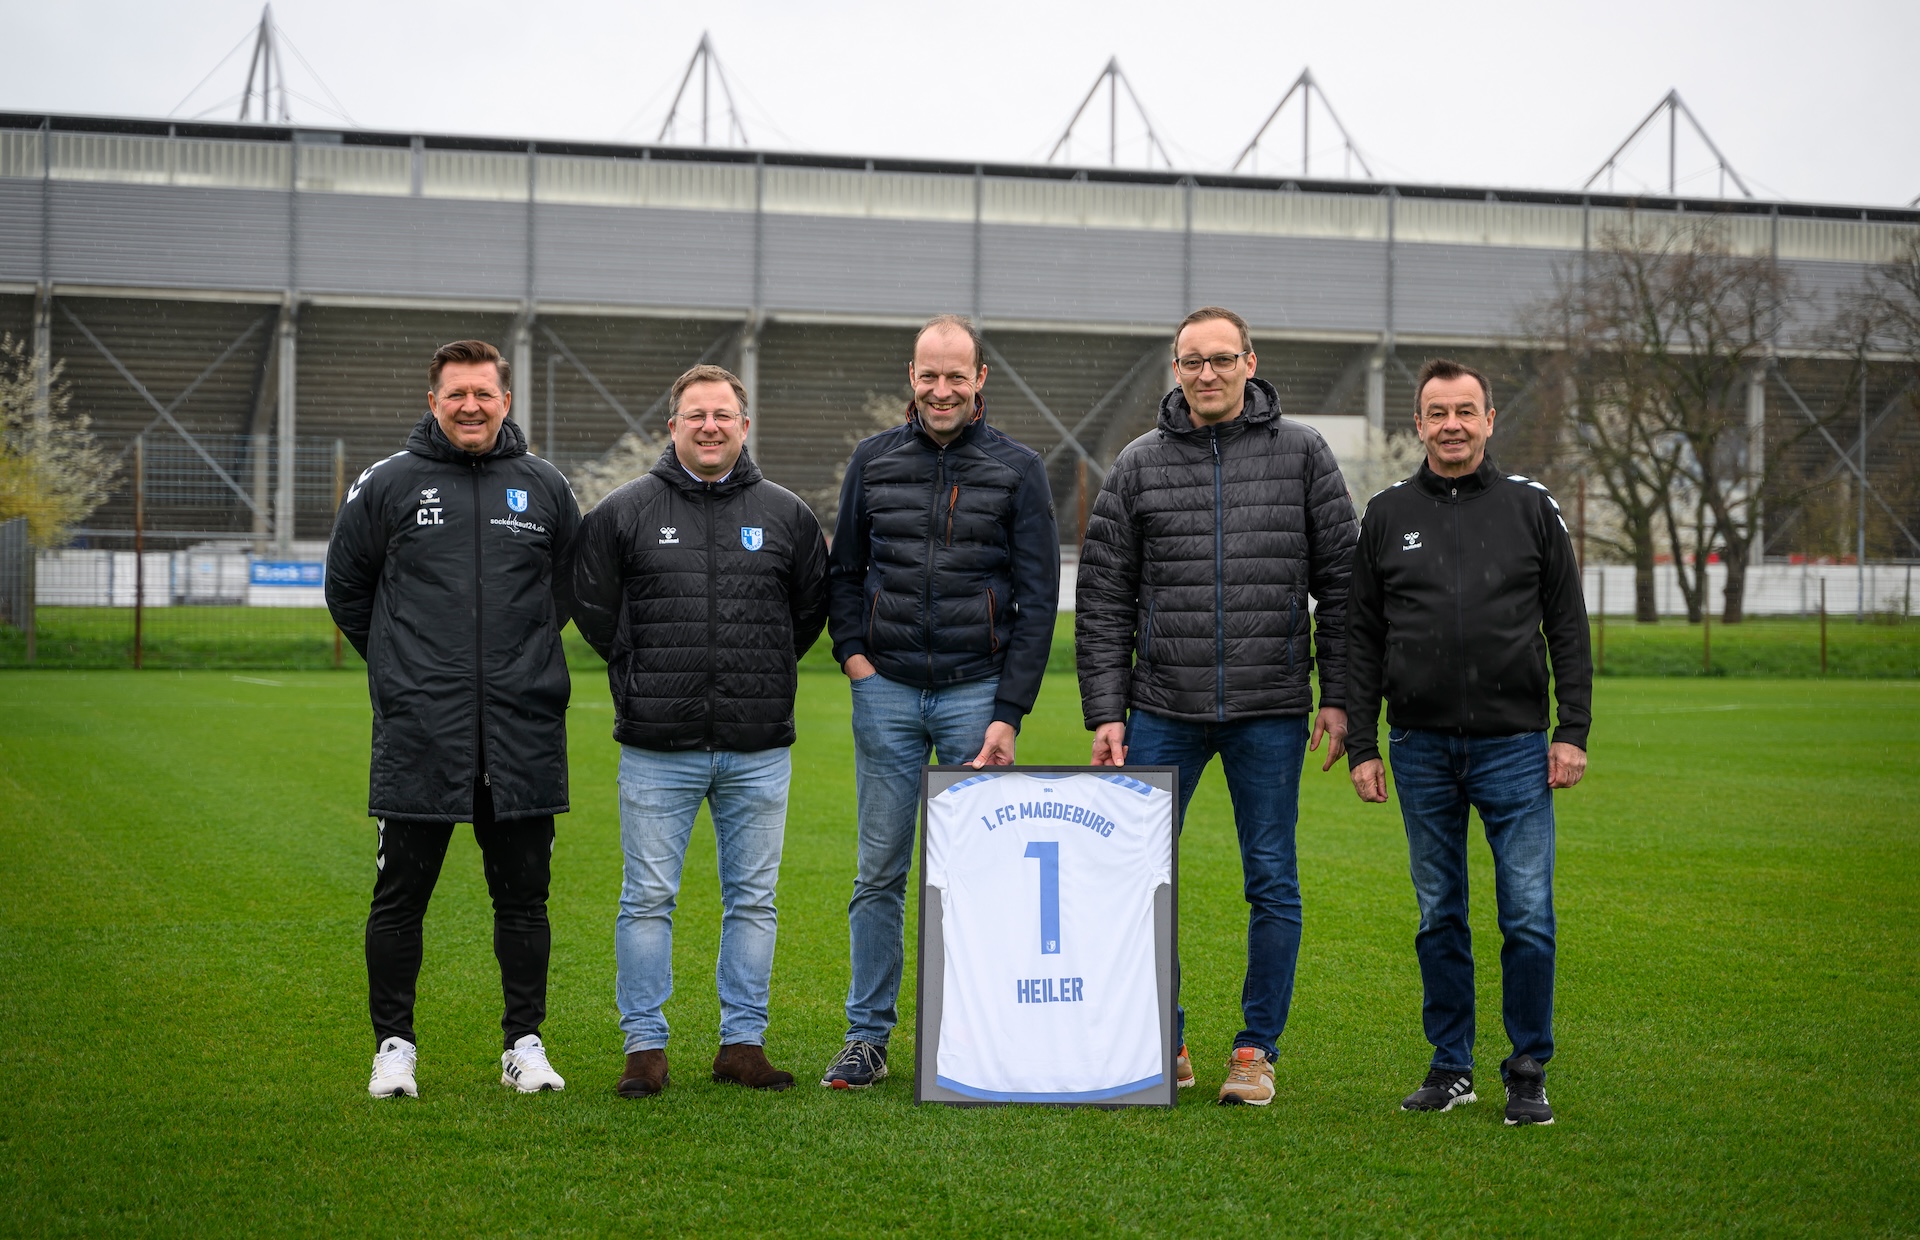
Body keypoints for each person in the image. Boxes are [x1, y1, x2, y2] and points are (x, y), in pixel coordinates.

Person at [1076, 305, 1357, 1107]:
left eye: (1221, 359)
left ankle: (1254, 1049)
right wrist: (1107, 709)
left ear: (1250, 362)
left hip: (1271, 709)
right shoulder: (1137, 463)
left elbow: (1341, 587)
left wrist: (1337, 696)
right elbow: (1103, 599)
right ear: (1176, 368)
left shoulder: (1303, 453)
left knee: (1272, 879)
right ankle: (1166, 1035)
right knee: (1135, 876)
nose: (1207, 373)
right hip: (1164, 705)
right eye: (1192, 361)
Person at [326, 338, 581, 1099]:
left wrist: (523, 662)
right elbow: (349, 590)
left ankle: (524, 1046)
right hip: (420, 733)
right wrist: (409, 671)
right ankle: (394, 1047)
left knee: (524, 899)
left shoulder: (544, 486)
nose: (471, 405)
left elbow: (566, 588)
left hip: (521, 729)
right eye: (456, 393)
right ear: (432, 400)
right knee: (401, 897)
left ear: (506, 400)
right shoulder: (389, 484)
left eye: (484, 393)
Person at [1344, 357, 1592, 1127]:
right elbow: (1360, 636)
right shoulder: (1385, 514)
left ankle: (1527, 1070)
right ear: (1416, 425)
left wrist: (1571, 731)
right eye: (1436, 412)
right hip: (1418, 747)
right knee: (1438, 913)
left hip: (1516, 747)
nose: (1451, 424)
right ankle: (1450, 1067)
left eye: (1466, 410)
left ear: (1489, 420)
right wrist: (1362, 742)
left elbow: (1570, 627)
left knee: (1527, 914)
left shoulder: (1531, 508)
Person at [572, 363, 829, 1099]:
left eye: (723, 414)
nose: (710, 426)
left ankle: (741, 1044)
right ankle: (644, 1047)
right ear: (673, 426)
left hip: (758, 746)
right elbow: (594, 604)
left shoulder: (785, 514)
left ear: (744, 427)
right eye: (696, 415)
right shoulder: (624, 510)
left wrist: (764, 673)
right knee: (647, 898)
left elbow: (807, 611)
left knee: (754, 899)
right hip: (658, 744)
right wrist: (637, 672)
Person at [820, 314, 1060, 1090]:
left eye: (957, 375)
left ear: (982, 378)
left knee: (977, 875)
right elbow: (845, 572)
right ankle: (867, 1037)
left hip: (974, 696)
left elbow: (1037, 596)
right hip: (885, 691)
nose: (942, 389)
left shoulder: (1020, 469)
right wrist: (855, 659)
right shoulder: (873, 459)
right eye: (930, 375)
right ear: (911, 377)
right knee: (879, 872)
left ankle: (972, 1035)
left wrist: (1008, 710)